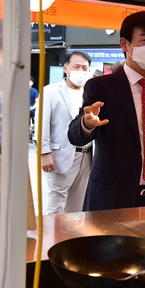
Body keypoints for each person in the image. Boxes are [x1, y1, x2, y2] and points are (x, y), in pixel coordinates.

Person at [68, 11, 145, 211]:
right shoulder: (101, 87)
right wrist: (87, 123)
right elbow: (75, 136)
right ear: (125, 45)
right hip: (114, 197)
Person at [41, 51, 93, 214]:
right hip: (60, 155)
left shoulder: (91, 93)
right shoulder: (51, 91)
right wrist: (44, 152)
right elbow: (43, 123)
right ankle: (50, 238)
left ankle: (71, 237)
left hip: (87, 155)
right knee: (56, 202)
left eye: (85, 68)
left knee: (78, 203)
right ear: (66, 68)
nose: (81, 71)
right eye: (76, 67)